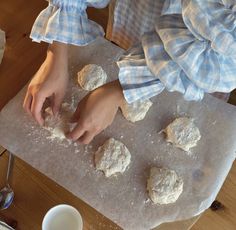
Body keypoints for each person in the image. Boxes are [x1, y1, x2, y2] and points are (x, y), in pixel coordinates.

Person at [23, 0, 236, 144]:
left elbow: (226, 43)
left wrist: (120, 89)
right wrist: (57, 48)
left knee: (190, 112)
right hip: (132, 24)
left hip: (199, 72)